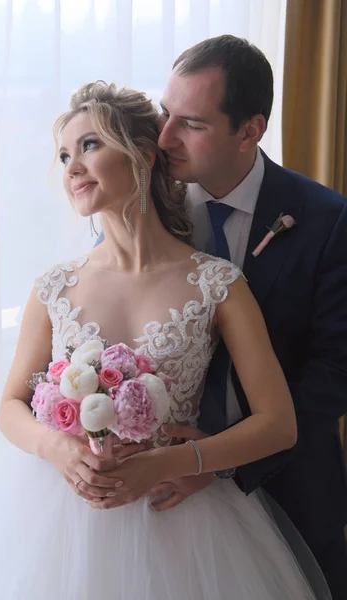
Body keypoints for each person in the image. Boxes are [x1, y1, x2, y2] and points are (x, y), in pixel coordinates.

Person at [0, 81, 329, 599]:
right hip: (60, 517)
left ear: (144, 155)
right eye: (63, 155)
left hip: (183, 522)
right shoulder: (54, 286)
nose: (71, 169)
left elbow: (278, 424)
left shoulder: (217, 284)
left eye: (89, 145)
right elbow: (9, 405)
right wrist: (56, 448)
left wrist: (171, 462)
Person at [145, 34, 347, 600]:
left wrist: (220, 456)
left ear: (250, 130)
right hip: (163, 489)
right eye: (165, 114)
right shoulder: (148, 210)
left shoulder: (327, 220)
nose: (164, 139)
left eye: (193, 123)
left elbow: (337, 371)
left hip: (289, 484)